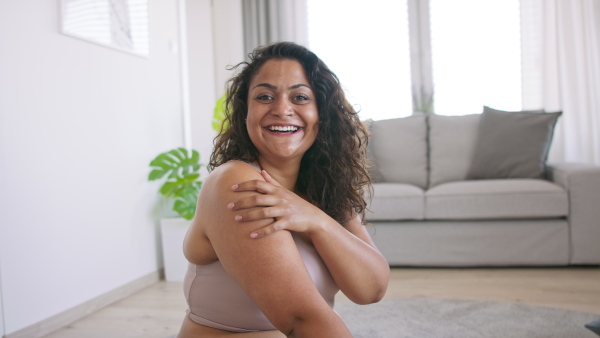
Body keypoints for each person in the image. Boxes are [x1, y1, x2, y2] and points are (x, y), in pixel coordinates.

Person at [177, 42, 390, 338]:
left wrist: (317, 221)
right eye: (265, 96)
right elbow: (302, 319)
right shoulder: (237, 183)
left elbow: (371, 288)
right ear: (245, 113)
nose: (282, 109)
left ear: (321, 113)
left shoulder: (323, 187)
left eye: (300, 97)